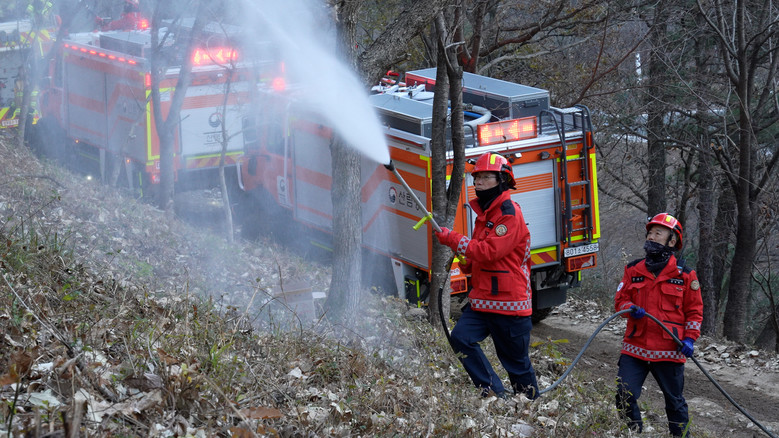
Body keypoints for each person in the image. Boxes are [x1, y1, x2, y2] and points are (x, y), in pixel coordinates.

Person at [435, 152, 539, 399]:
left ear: (502, 180)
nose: (478, 182)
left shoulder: (509, 214)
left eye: (485, 177)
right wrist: (468, 262)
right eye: (476, 177)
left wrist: (453, 239)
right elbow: (482, 252)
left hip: (509, 304)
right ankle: (494, 393)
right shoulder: (486, 214)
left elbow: (489, 251)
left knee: (516, 364)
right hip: (483, 300)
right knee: (461, 338)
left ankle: (530, 407)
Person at [614, 213, 703, 437]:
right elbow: (619, 301)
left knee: (675, 402)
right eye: (650, 233)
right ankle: (633, 432)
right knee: (624, 394)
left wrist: (690, 338)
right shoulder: (633, 269)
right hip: (635, 348)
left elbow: (694, 311)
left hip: (669, 350)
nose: (651, 237)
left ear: (671, 241)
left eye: (658, 233)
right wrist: (629, 307)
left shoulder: (685, 275)